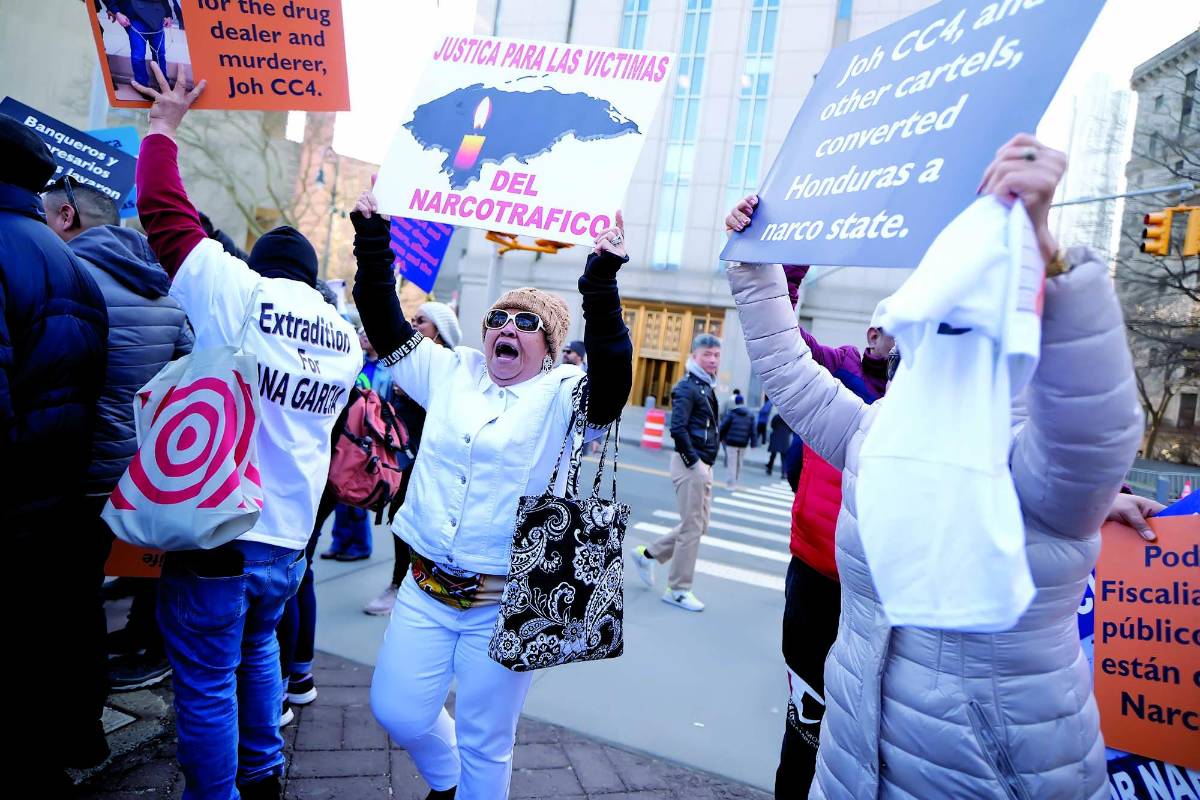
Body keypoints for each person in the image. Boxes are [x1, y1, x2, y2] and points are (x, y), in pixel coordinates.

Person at [725, 133, 1142, 799]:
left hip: (991, 778)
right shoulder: (878, 432)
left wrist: (1051, 261)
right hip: (853, 765)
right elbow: (786, 368)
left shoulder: (1031, 464)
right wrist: (755, 263)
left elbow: (1095, 430)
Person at [351, 187, 632, 800]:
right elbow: (380, 315)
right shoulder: (451, 371)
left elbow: (612, 380)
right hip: (426, 588)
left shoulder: (563, 392)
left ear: (550, 346)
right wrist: (373, 237)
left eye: (526, 323)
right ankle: (446, 780)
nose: (507, 328)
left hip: (503, 604)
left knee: (486, 742)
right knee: (398, 711)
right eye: (498, 319)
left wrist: (601, 280)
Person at [132, 65, 361, 799]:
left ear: (258, 267)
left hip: (222, 529)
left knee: (202, 680)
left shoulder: (239, 294)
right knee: (260, 646)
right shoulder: (344, 338)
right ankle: (262, 772)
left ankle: (217, 793)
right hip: (290, 535)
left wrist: (164, 128)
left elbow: (166, 215)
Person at [725, 195, 892, 795]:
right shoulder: (837, 371)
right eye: (893, 334)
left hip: (889, 593)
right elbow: (781, 334)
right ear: (873, 333)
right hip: (819, 576)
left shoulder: (942, 404)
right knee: (807, 724)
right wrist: (783, 254)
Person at [44, 175, 194, 693]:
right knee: (91, 585)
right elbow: (191, 375)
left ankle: (72, 707)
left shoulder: (66, 274)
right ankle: (87, 709)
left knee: (63, 592)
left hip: (72, 465)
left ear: (68, 217)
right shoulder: (165, 292)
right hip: (136, 471)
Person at [1, 117, 109, 791]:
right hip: (62, 490)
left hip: (13, 494)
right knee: (51, 633)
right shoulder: (76, 265)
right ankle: (63, 746)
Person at [363, 301, 462, 617]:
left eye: (422, 321)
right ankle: (402, 583)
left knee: (414, 524)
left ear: (440, 331)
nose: (414, 324)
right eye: (414, 319)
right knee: (399, 521)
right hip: (401, 457)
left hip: (427, 459)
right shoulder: (407, 362)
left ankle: (406, 585)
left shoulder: (447, 367)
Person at [630, 333, 721, 612]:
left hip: (702, 464)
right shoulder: (687, 387)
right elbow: (678, 429)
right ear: (694, 356)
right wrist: (695, 463)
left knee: (699, 525)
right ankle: (679, 589)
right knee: (693, 527)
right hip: (690, 464)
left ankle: (649, 554)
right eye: (707, 354)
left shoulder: (706, 385)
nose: (713, 359)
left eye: (717, 355)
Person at [99, 0, 174, 88]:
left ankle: (163, 83)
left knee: (159, 53)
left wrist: (168, 15)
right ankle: (142, 86)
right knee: (138, 55)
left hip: (156, 13)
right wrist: (117, 12)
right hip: (134, 16)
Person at [718, 393, 754, 490]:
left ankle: (731, 484)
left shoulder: (732, 413)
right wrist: (753, 444)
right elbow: (752, 430)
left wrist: (719, 438)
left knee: (732, 463)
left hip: (731, 442)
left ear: (735, 402)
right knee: (739, 462)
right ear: (743, 402)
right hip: (743, 443)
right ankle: (735, 480)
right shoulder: (750, 414)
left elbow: (723, 426)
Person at [766, 412, 792, 477]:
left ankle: (769, 469)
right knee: (784, 457)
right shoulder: (789, 418)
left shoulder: (776, 416)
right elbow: (792, 429)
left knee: (773, 455)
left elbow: (772, 425)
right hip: (785, 438)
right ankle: (784, 473)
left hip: (776, 436)